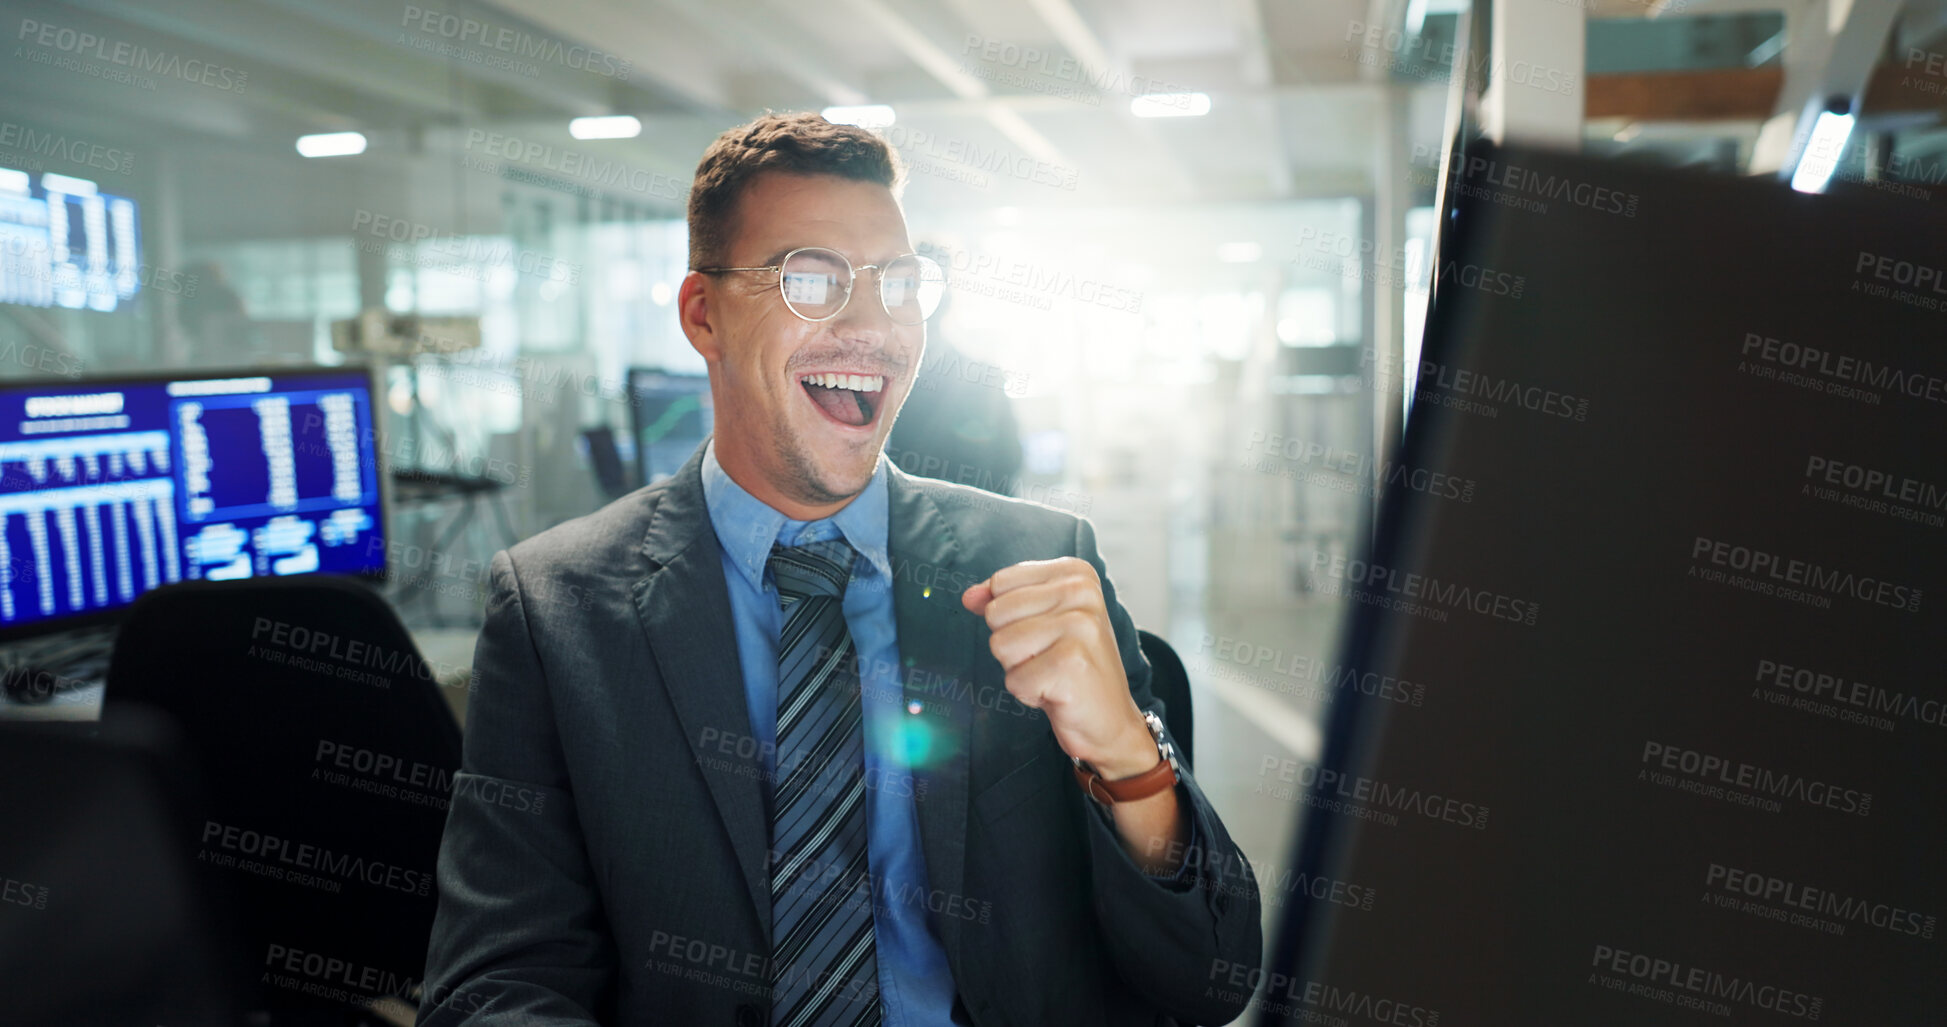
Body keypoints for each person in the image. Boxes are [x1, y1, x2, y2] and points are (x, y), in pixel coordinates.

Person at [420, 112, 1261, 1027]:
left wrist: (1128, 758)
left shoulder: (1041, 560)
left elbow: (1211, 980)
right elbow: (495, 986)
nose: (873, 325)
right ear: (703, 314)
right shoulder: (556, 612)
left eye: (900, 285)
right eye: (811, 279)